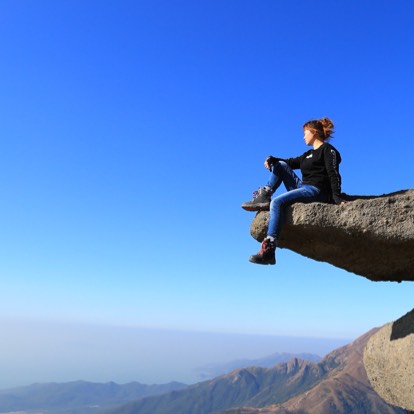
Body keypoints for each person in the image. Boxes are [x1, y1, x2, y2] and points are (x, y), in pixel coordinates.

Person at [242, 117, 345, 265]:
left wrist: (337, 197)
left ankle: (269, 249)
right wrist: (273, 159)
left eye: (305, 133)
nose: (303, 136)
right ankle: (265, 194)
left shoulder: (328, 150)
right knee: (280, 165)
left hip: (316, 191)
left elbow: (333, 173)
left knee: (277, 202)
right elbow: (289, 162)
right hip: (304, 187)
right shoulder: (307, 155)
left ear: (314, 132)